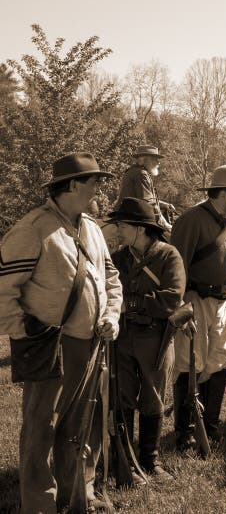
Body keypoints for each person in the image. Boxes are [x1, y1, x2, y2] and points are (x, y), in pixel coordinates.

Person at [0, 152, 122, 513]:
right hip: (50, 345)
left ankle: (80, 494)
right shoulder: (32, 228)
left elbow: (111, 278)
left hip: (93, 343)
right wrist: (26, 333)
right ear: (71, 185)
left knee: (83, 425)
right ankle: (40, 504)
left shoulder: (94, 229)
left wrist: (112, 315)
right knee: (41, 429)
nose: (101, 188)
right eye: (94, 181)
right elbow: (4, 289)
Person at [170, 165, 226, 448]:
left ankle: (210, 424)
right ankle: (185, 431)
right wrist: (181, 308)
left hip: (222, 303)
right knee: (190, 363)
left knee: (217, 361)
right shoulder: (191, 220)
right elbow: (175, 266)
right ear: (223, 193)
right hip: (195, 300)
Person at [109, 197, 185, 482]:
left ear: (140, 228)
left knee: (153, 397)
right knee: (123, 397)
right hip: (123, 336)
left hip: (155, 337)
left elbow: (171, 299)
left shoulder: (169, 256)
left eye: (122, 224)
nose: (118, 229)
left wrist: (131, 303)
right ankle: (124, 459)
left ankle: (150, 460)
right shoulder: (118, 258)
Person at [116, 145, 173, 232]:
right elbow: (148, 204)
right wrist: (166, 225)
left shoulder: (134, 171)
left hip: (125, 217)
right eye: (155, 159)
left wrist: (164, 205)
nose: (159, 162)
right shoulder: (142, 174)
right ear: (146, 160)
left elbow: (143, 198)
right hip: (132, 222)